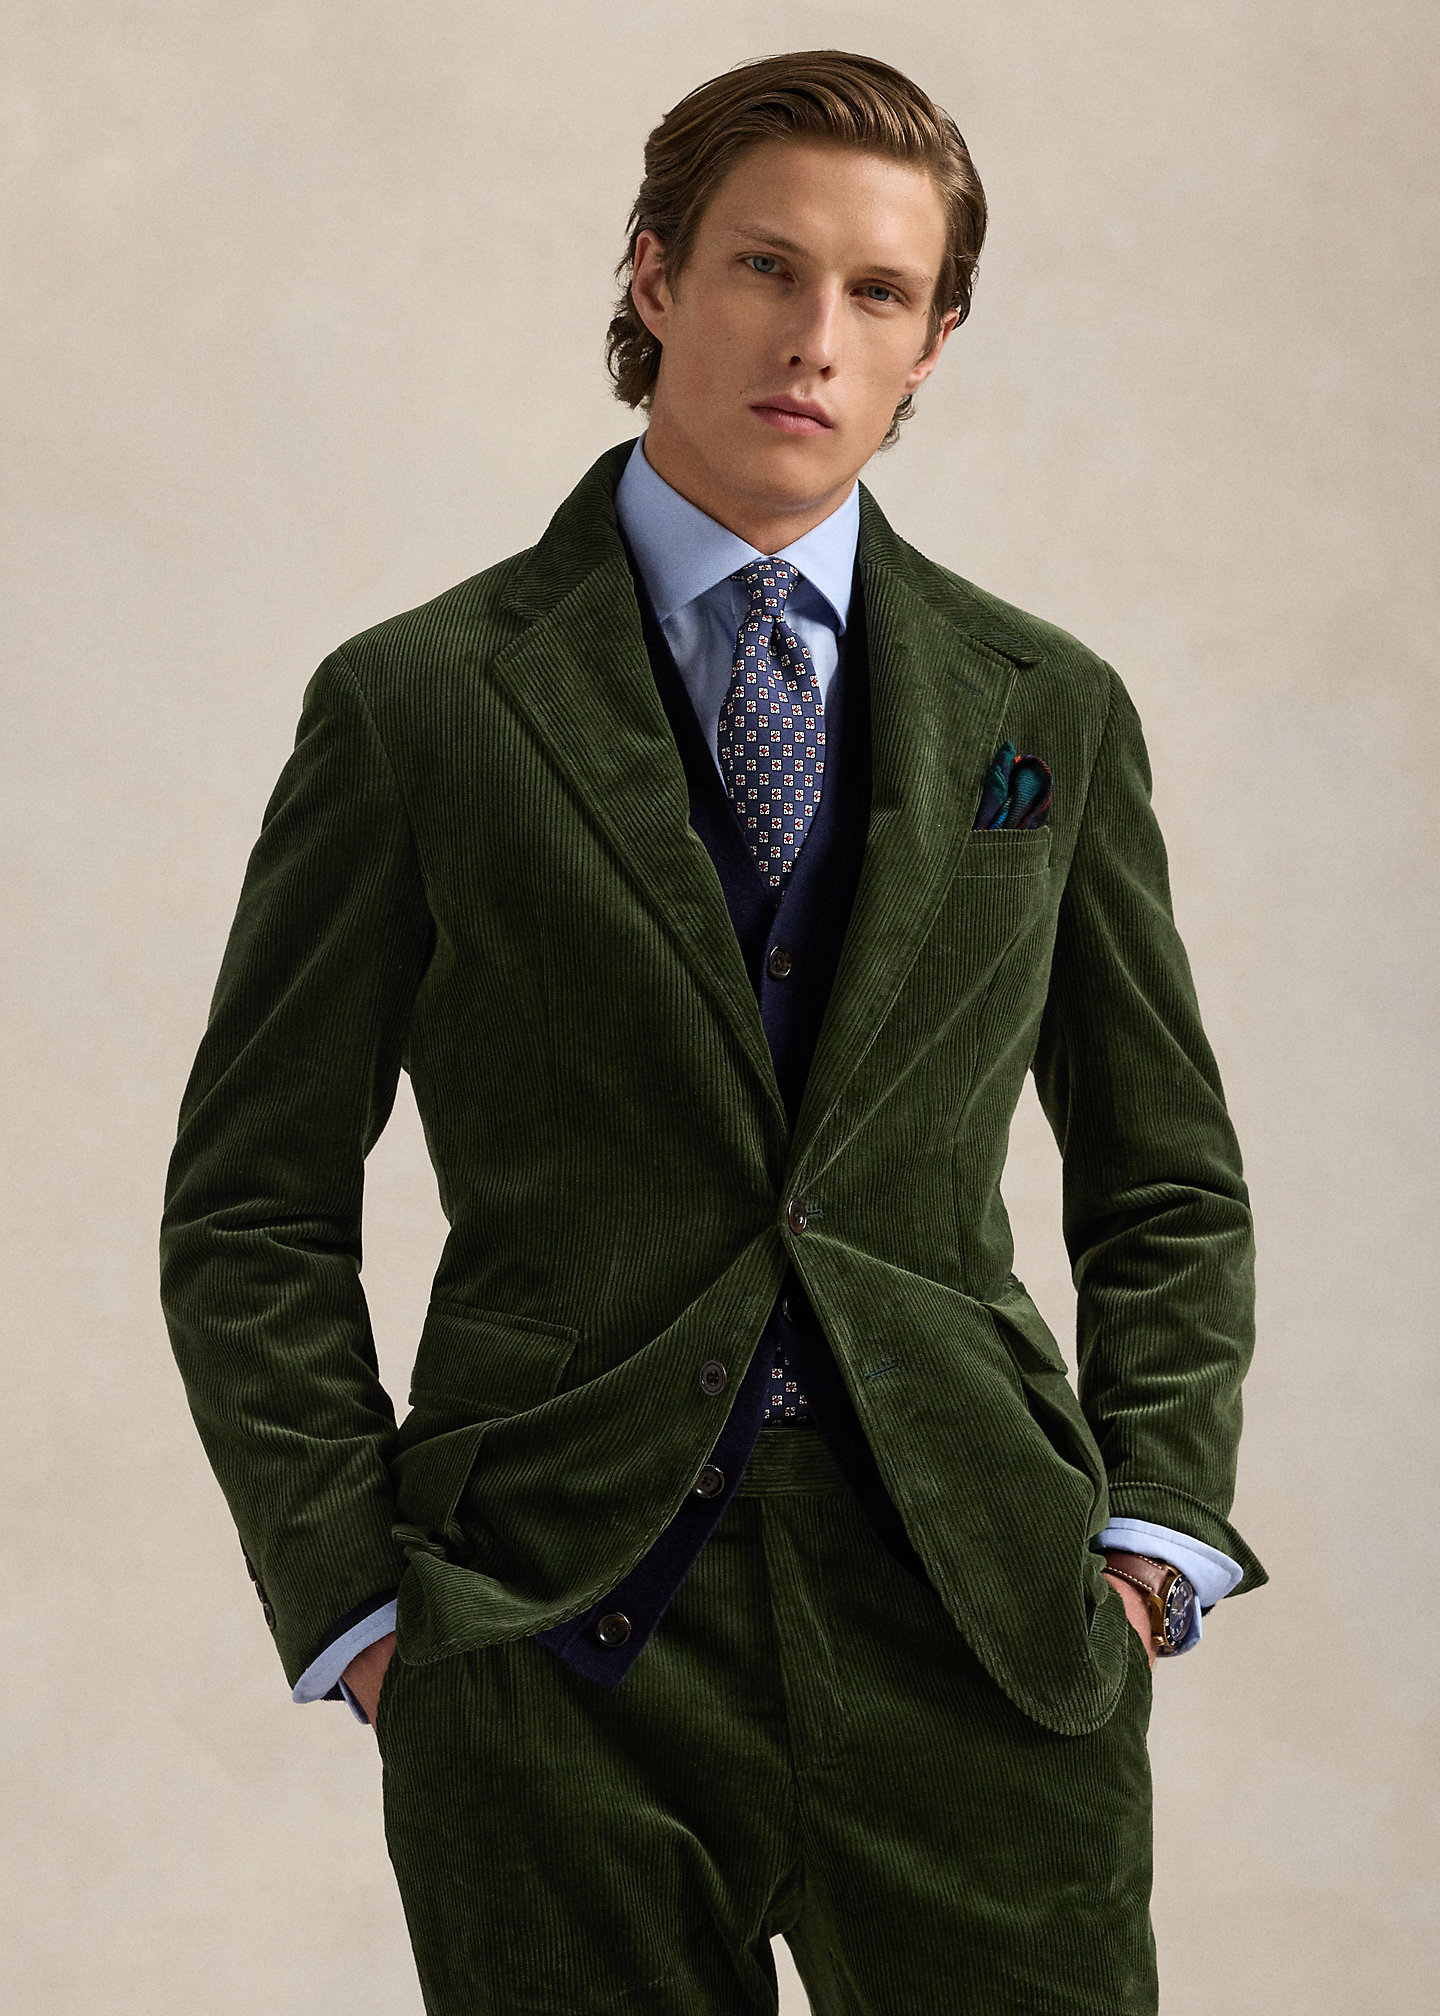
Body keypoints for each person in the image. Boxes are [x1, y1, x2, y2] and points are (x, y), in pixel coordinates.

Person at [160, 48, 1265, 2015]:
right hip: (553, 1638)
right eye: (767, 266)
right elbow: (251, 1199)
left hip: (982, 1622)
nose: (815, 336)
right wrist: (365, 1606)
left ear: (933, 343)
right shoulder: (422, 705)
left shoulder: (1046, 709)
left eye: (880, 292)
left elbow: (1166, 1171)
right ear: (657, 276)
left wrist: (1152, 1533)